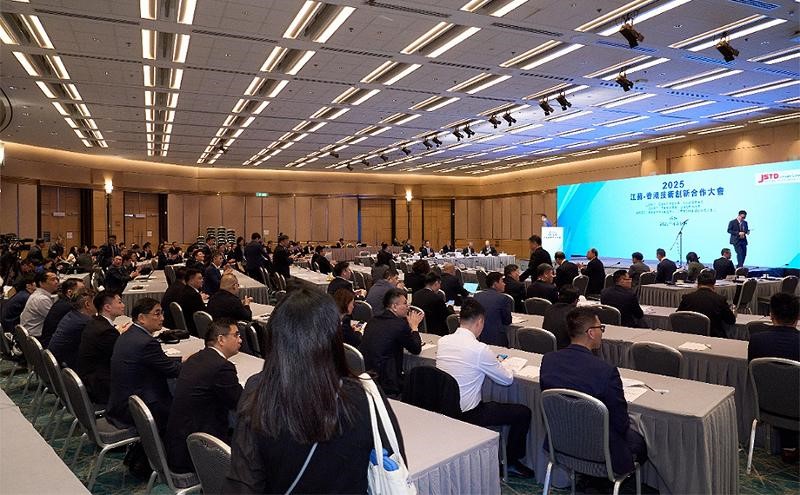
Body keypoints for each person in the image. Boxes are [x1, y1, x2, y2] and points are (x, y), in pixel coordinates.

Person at [224, 288, 405, 493]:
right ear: (334, 338)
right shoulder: (365, 394)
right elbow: (394, 463)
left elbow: (244, 482)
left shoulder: (258, 390)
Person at [540, 307, 648, 476]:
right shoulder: (605, 371)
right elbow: (620, 422)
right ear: (591, 333)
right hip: (599, 449)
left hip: (561, 442)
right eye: (601, 328)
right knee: (640, 443)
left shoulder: (548, 360)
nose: (602, 333)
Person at [436, 299, 534, 478]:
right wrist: (505, 366)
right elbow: (506, 380)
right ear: (480, 322)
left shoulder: (443, 341)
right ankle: (511, 462)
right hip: (468, 412)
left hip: (444, 408)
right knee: (523, 413)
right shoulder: (479, 349)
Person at [165, 318, 243, 474]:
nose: (240, 340)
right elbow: (240, 402)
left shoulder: (195, 358)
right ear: (221, 339)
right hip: (198, 453)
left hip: (179, 444)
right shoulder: (222, 367)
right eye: (236, 335)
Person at [106, 298, 181, 431]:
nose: (162, 318)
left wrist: (180, 359)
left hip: (121, 402)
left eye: (162, 313)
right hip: (139, 409)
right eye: (157, 314)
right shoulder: (147, 343)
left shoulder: (128, 334)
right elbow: (173, 371)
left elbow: (155, 361)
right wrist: (195, 363)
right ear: (141, 318)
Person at [747, 292, 799, 463]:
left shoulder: (756, 340)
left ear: (771, 315)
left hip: (766, 407)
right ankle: (790, 446)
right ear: (797, 317)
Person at [359, 288, 423, 397]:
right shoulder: (399, 325)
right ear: (394, 307)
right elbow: (416, 349)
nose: (408, 306)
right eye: (405, 303)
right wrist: (414, 327)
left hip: (367, 376)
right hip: (388, 380)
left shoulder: (373, 320)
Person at [76, 291, 128, 404]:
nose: (123, 305)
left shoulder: (95, 321)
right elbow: (122, 357)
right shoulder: (106, 331)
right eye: (119, 302)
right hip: (100, 385)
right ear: (107, 307)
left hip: (90, 377)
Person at [677, 270, 736, 338]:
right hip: (714, 337)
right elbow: (731, 321)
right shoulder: (720, 300)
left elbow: (678, 316)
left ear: (697, 284)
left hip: (690, 336)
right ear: (713, 285)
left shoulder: (687, 298)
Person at [48, 288, 95, 368]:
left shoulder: (71, 314)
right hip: (65, 366)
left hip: (54, 361)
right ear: (87, 304)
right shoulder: (84, 322)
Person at [40, 278, 85, 347]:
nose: (85, 294)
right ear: (70, 292)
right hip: (52, 346)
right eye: (82, 291)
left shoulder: (62, 301)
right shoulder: (68, 306)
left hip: (51, 342)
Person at [473, 272, 512, 346]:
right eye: (502, 281)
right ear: (495, 284)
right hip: (496, 338)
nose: (504, 284)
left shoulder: (477, 296)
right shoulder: (503, 298)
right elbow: (507, 321)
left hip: (478, 335)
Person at [20, 270, 60, 338]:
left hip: (31, 333)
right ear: (41, 283)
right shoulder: (42, 299)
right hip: (36, 336)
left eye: (57, 279)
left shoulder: (38, 294)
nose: (56, 282)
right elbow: (56, 319)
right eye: (52, 280)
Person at [542, 285, 580, 349]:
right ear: (575, 301)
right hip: (565, 349)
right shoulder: (574, 313)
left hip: (546, 345)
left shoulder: (549, 308)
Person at [177, 268, 205, 336]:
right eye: (199, 278)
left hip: (188, 324)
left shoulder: (184, 290)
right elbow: (203, 315)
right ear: (191, 280)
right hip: (195, 328)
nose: (202, 280)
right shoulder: (194, 295)